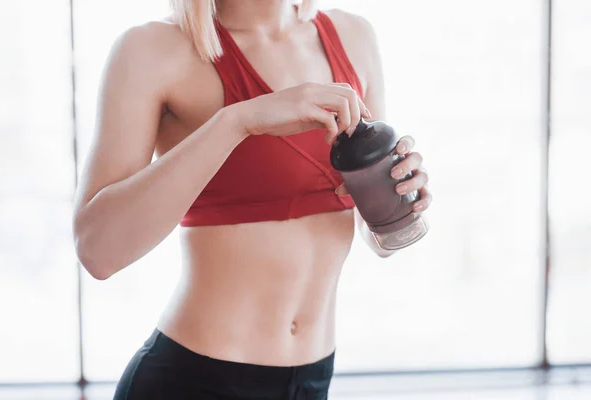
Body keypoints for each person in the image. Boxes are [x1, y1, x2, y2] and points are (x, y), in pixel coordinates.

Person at [72, 0, 432, 398]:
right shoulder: (153, 49)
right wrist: (237, 121)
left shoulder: (354, 35)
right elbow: (98, 251)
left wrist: (399, 197)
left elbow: (375, 234)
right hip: (195, 381)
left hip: (311, 381)